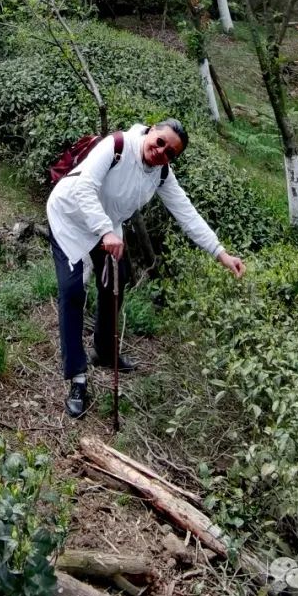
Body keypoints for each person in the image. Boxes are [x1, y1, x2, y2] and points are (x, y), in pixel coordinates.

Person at [46, 118, 246, 417]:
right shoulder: (116, 145)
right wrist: (105, 231)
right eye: (160, 142)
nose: (161, 152)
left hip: (106, 226)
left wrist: (221, 253)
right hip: (71, 217)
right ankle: (77, 378)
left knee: (117, 280)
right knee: (73, 292)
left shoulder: (161, 174)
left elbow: (186, 213)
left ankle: (105, 351)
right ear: (151, 131)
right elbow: (84, 187)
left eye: (170, 153)